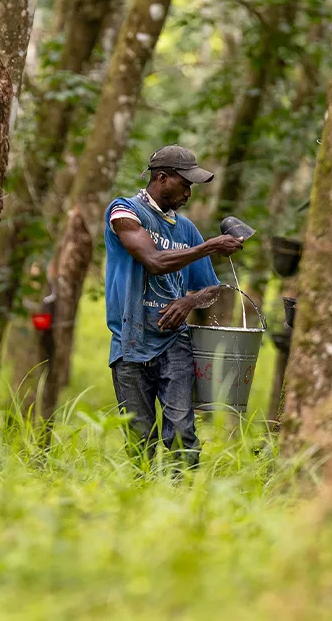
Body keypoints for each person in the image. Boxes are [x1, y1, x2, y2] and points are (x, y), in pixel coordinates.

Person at [105, 145, 244, 468]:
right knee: (139, 439)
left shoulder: (187, 230)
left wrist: (189, 300)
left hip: (174, 342)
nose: (189, 193)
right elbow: (153, 261)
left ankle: (185, 502)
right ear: (163, 178)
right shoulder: (124, 211)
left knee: (182, 431)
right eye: (186, 184)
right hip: (130, 342)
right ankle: (141, 504)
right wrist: (210, 246)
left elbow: (211, 289)